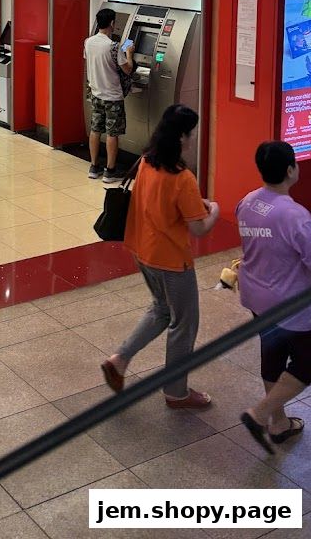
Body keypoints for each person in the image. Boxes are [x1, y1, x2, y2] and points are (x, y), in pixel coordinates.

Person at [100, 104, 219, 408]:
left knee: (161, 310)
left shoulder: (145, 162)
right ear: (182, 137)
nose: (193, 139)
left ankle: (120, 359)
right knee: (184, 322)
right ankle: (176, 392)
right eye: (191, 133)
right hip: (172, 261)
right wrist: (214, 212)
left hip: (142, 251)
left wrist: (194, 205)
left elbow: (160, 204)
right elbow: (198, 228)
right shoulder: (182, 177)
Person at [238, 141, 311, 453]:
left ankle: (279, 424)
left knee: (273, 355)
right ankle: (260, 414)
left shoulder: (247, 202)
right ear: (290, 170)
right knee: (308, 364)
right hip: (291, 306)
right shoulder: (295, 216)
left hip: (257, 297)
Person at [84, 8, 134, 181]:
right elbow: (127, 69)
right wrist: (129, 52)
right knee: (113, 133)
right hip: (112, 96)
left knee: (95, 129)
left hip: (96, 93)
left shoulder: (88, 42)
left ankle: (94, 166)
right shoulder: (113, 47)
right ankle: (110, 171)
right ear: (112, 23)